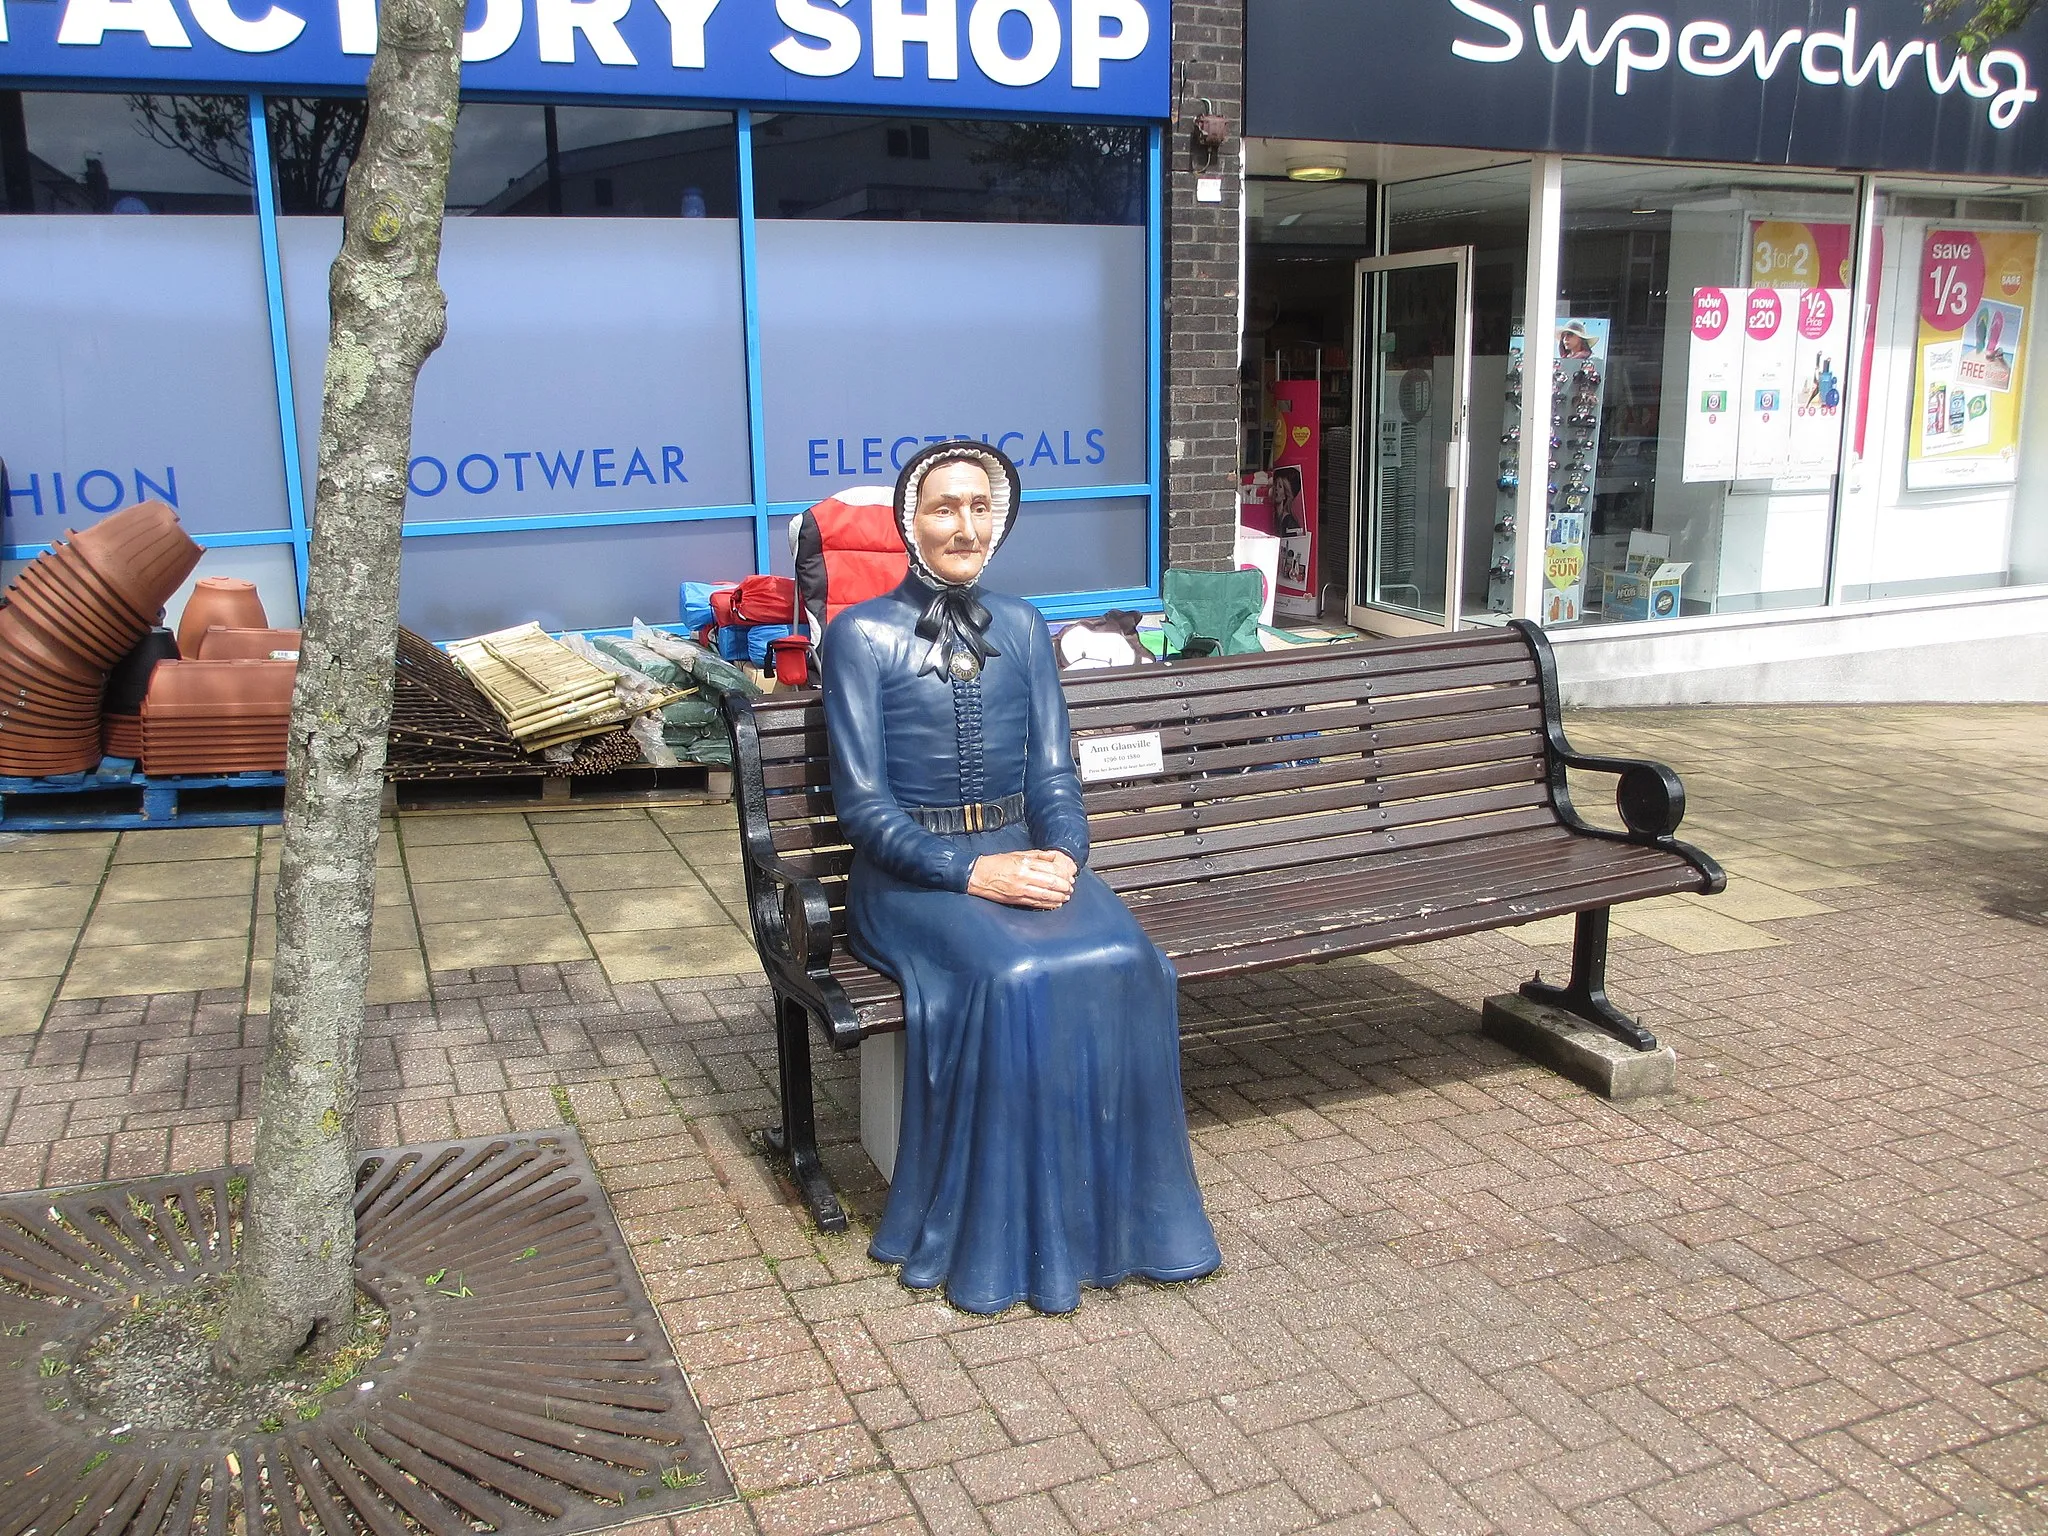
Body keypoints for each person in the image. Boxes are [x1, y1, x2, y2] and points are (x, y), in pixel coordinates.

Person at [821, 440, 1221, 1315]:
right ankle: (1006, 1238)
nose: (963, 525)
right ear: (908, 523)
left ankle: (1131, 1228)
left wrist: (1063, 855)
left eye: (977, 508)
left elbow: (1053, 775)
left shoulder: (1027, 625)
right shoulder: (861, 636)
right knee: (1017, 974)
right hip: (909, 882)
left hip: (1025, 859)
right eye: (943, 508)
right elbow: (863, 809)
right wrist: (974, 872)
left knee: (1132, 962)